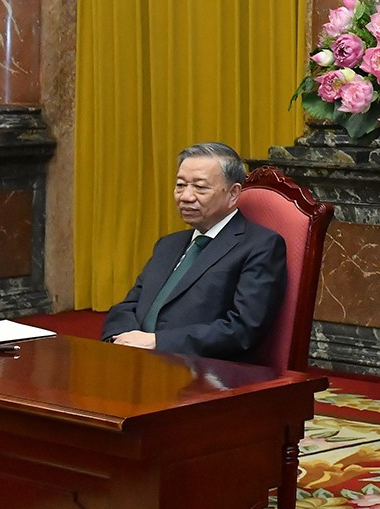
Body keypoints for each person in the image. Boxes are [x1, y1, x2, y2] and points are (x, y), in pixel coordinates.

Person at [101, 143, 286, 361]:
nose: (186, 196)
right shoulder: (168, 245)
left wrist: (157, 343)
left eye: (200, 187)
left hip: (203, 372)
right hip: (136, 361)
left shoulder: (260, 245)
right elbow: (128, 306)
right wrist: (120, 338)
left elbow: (242, 329)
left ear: (233, 193)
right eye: (180, 185)